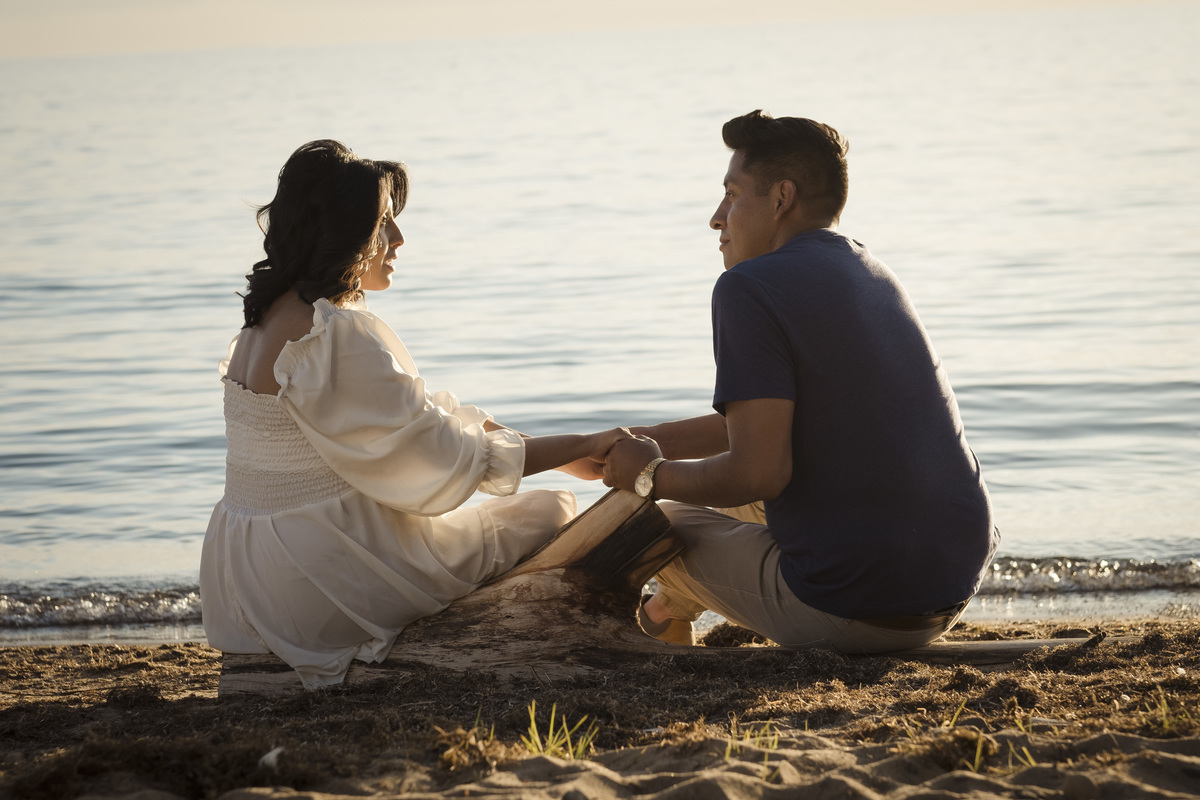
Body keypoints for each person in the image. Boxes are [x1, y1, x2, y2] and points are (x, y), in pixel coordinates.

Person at [200, 140, 626, 688]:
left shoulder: (259, 328)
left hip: (246, 577)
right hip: (314, 575)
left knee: (523, 501)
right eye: (383, 223)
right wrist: (580, 445)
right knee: (549, 514)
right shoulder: (333, 333)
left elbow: (426, 417)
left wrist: (567, 453)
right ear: (343, 233)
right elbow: (442, 457)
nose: (398, 239)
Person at [604, 111, 998, 652]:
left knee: (648, 520)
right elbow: (776, 421)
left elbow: (758, 470)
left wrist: (648, 475)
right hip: (951, 579)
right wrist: (651, 440)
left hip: (859, 610)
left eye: (731, 194)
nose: (717, 218)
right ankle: (668, 607)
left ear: (781, 198)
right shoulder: (870, 270)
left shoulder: (747, 287)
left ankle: (670, 649)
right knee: (719, 501)